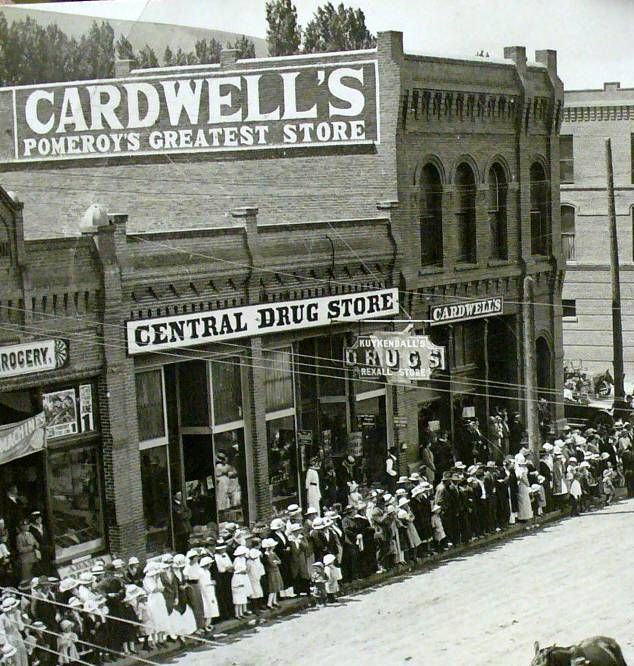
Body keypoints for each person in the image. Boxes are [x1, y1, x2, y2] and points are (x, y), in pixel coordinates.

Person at [261, 538, 283, 609]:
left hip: (276, 571)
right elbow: (271, 563)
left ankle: (274, 601)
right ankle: (269, 603)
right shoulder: (266, 554)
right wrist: (275, 562)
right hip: (271, 572)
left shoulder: (273, 553)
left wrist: (275, 562)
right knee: (272, 587)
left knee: (276, 587)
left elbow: (279, 561)